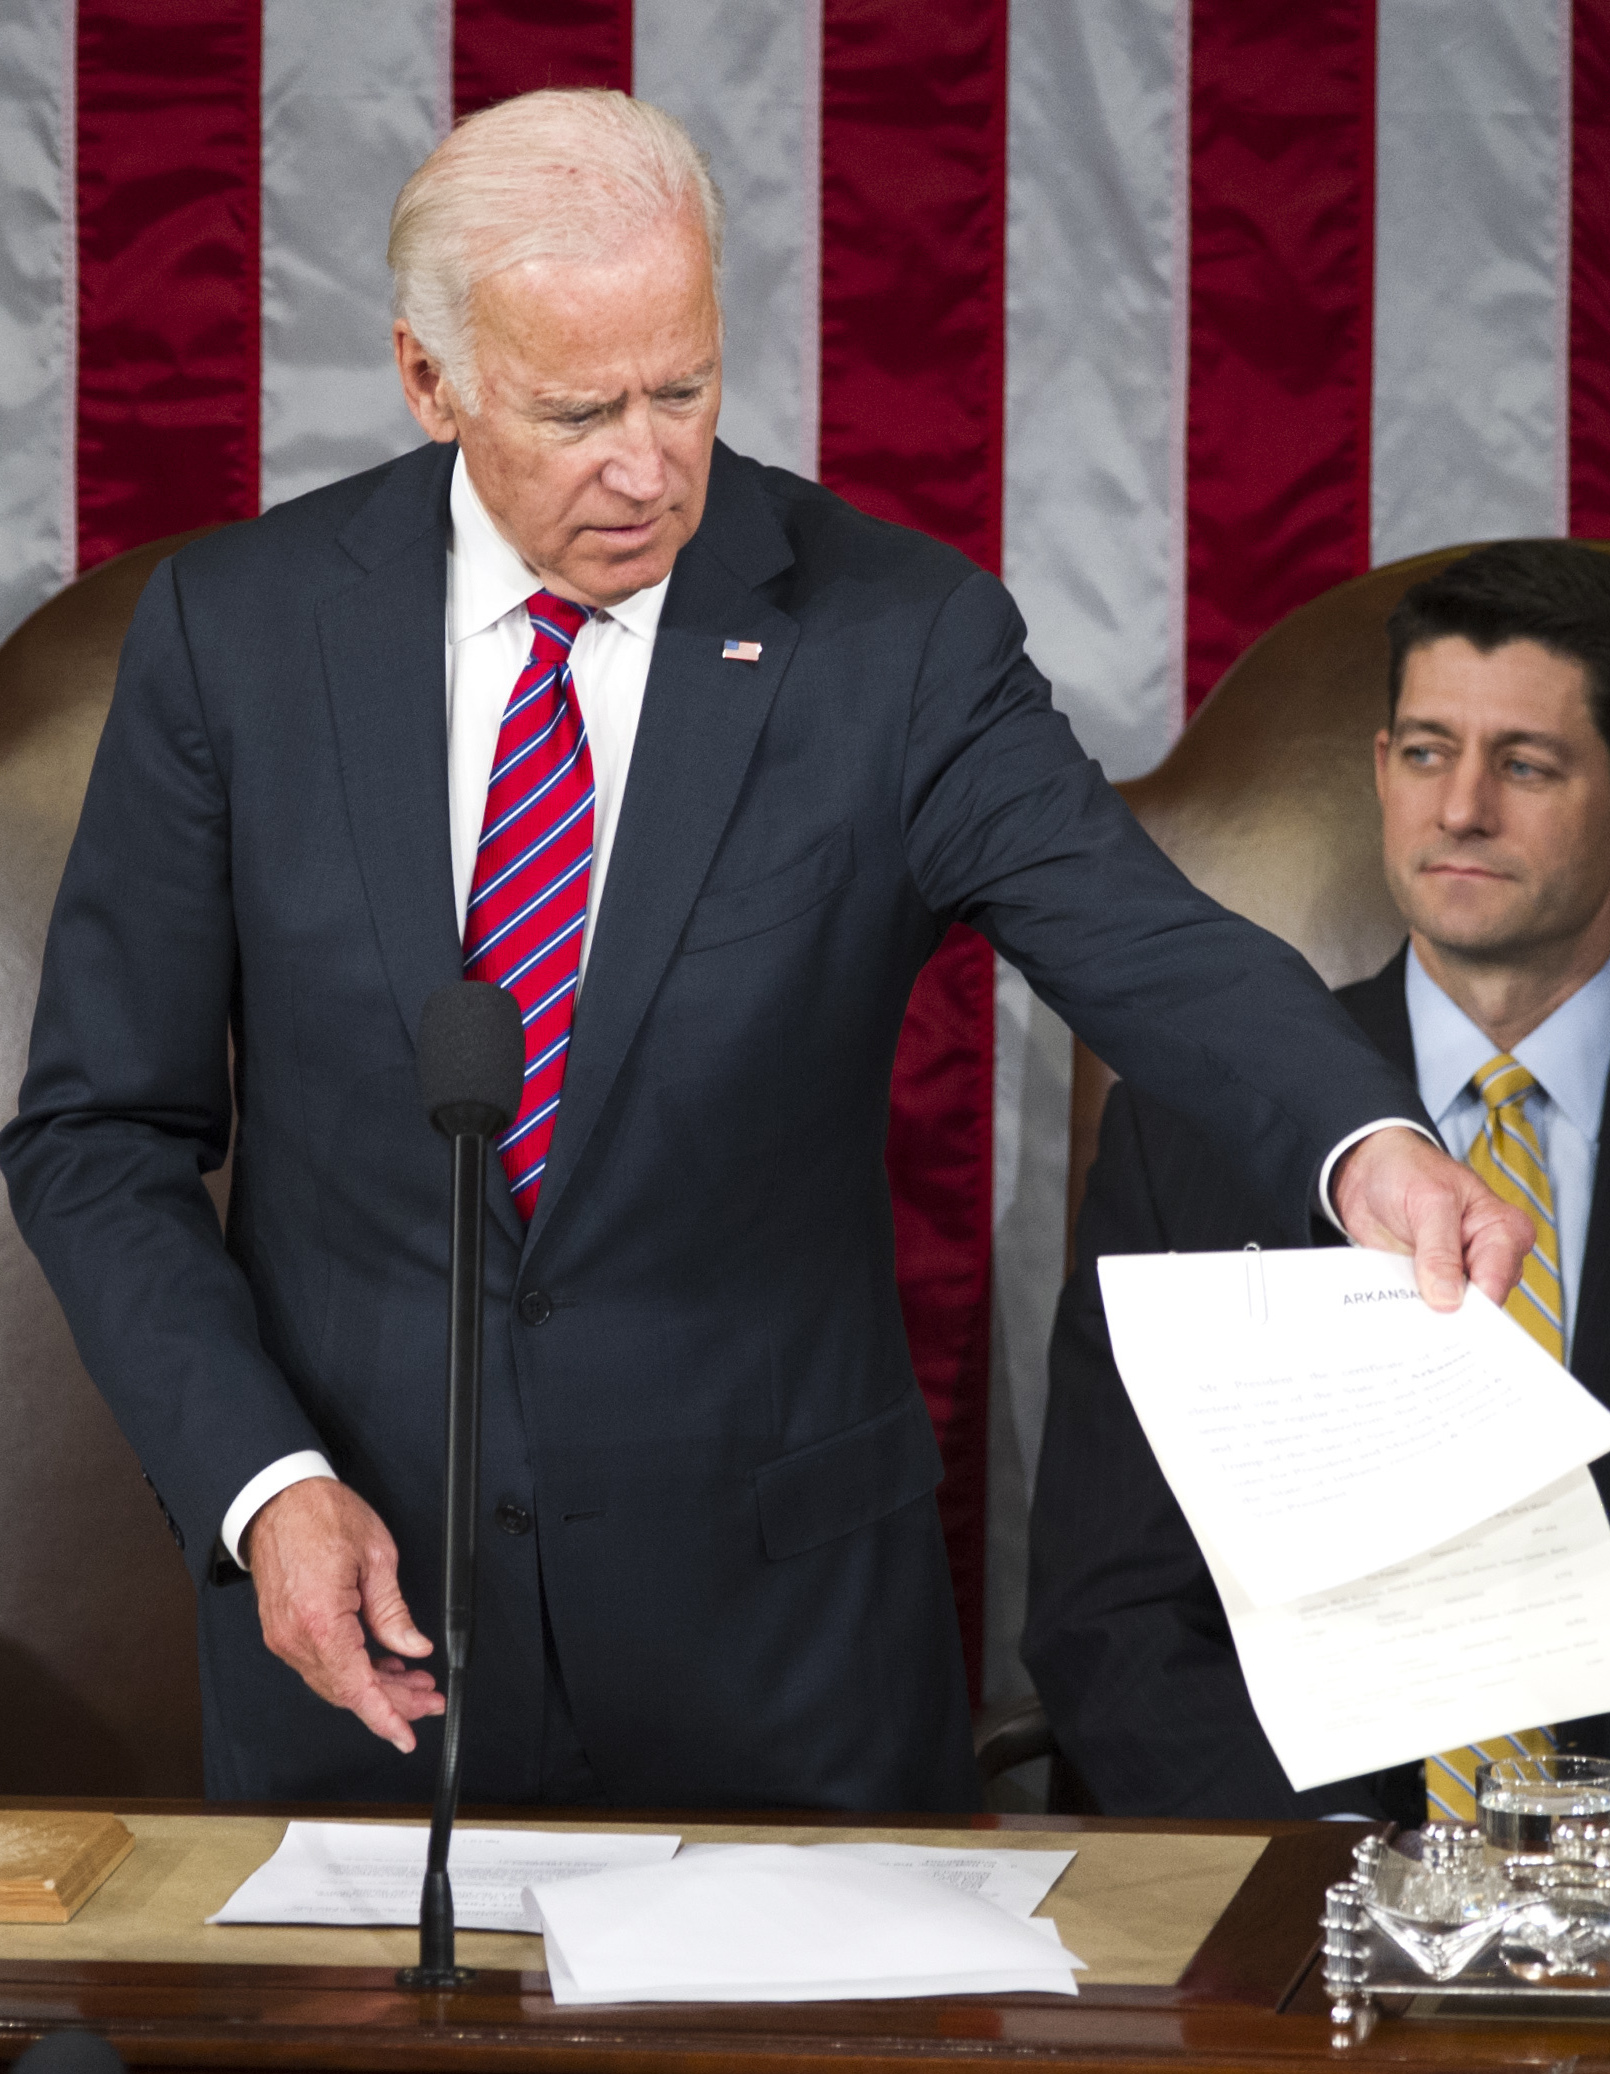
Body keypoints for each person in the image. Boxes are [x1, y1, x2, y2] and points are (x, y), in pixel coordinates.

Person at [0, 89, 1529, 1811]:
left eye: (684, 388)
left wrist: (1370, 1142)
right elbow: (98, 1136)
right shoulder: (240, 636)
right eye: (578, 410)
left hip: (783, 1667)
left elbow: (1144, 939)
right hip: (366, 1646)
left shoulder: (898, 639)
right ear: (432, 381)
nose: (647, 466)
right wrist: (262, 1481)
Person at [1025, 539, 1610, 1835]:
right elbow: (1109, 1609)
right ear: (1379, 773)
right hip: (1294, 1902)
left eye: (1523, 764)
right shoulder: (1192, 1130)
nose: (1459, 809)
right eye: (1424, 751)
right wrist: (1329, 1872)